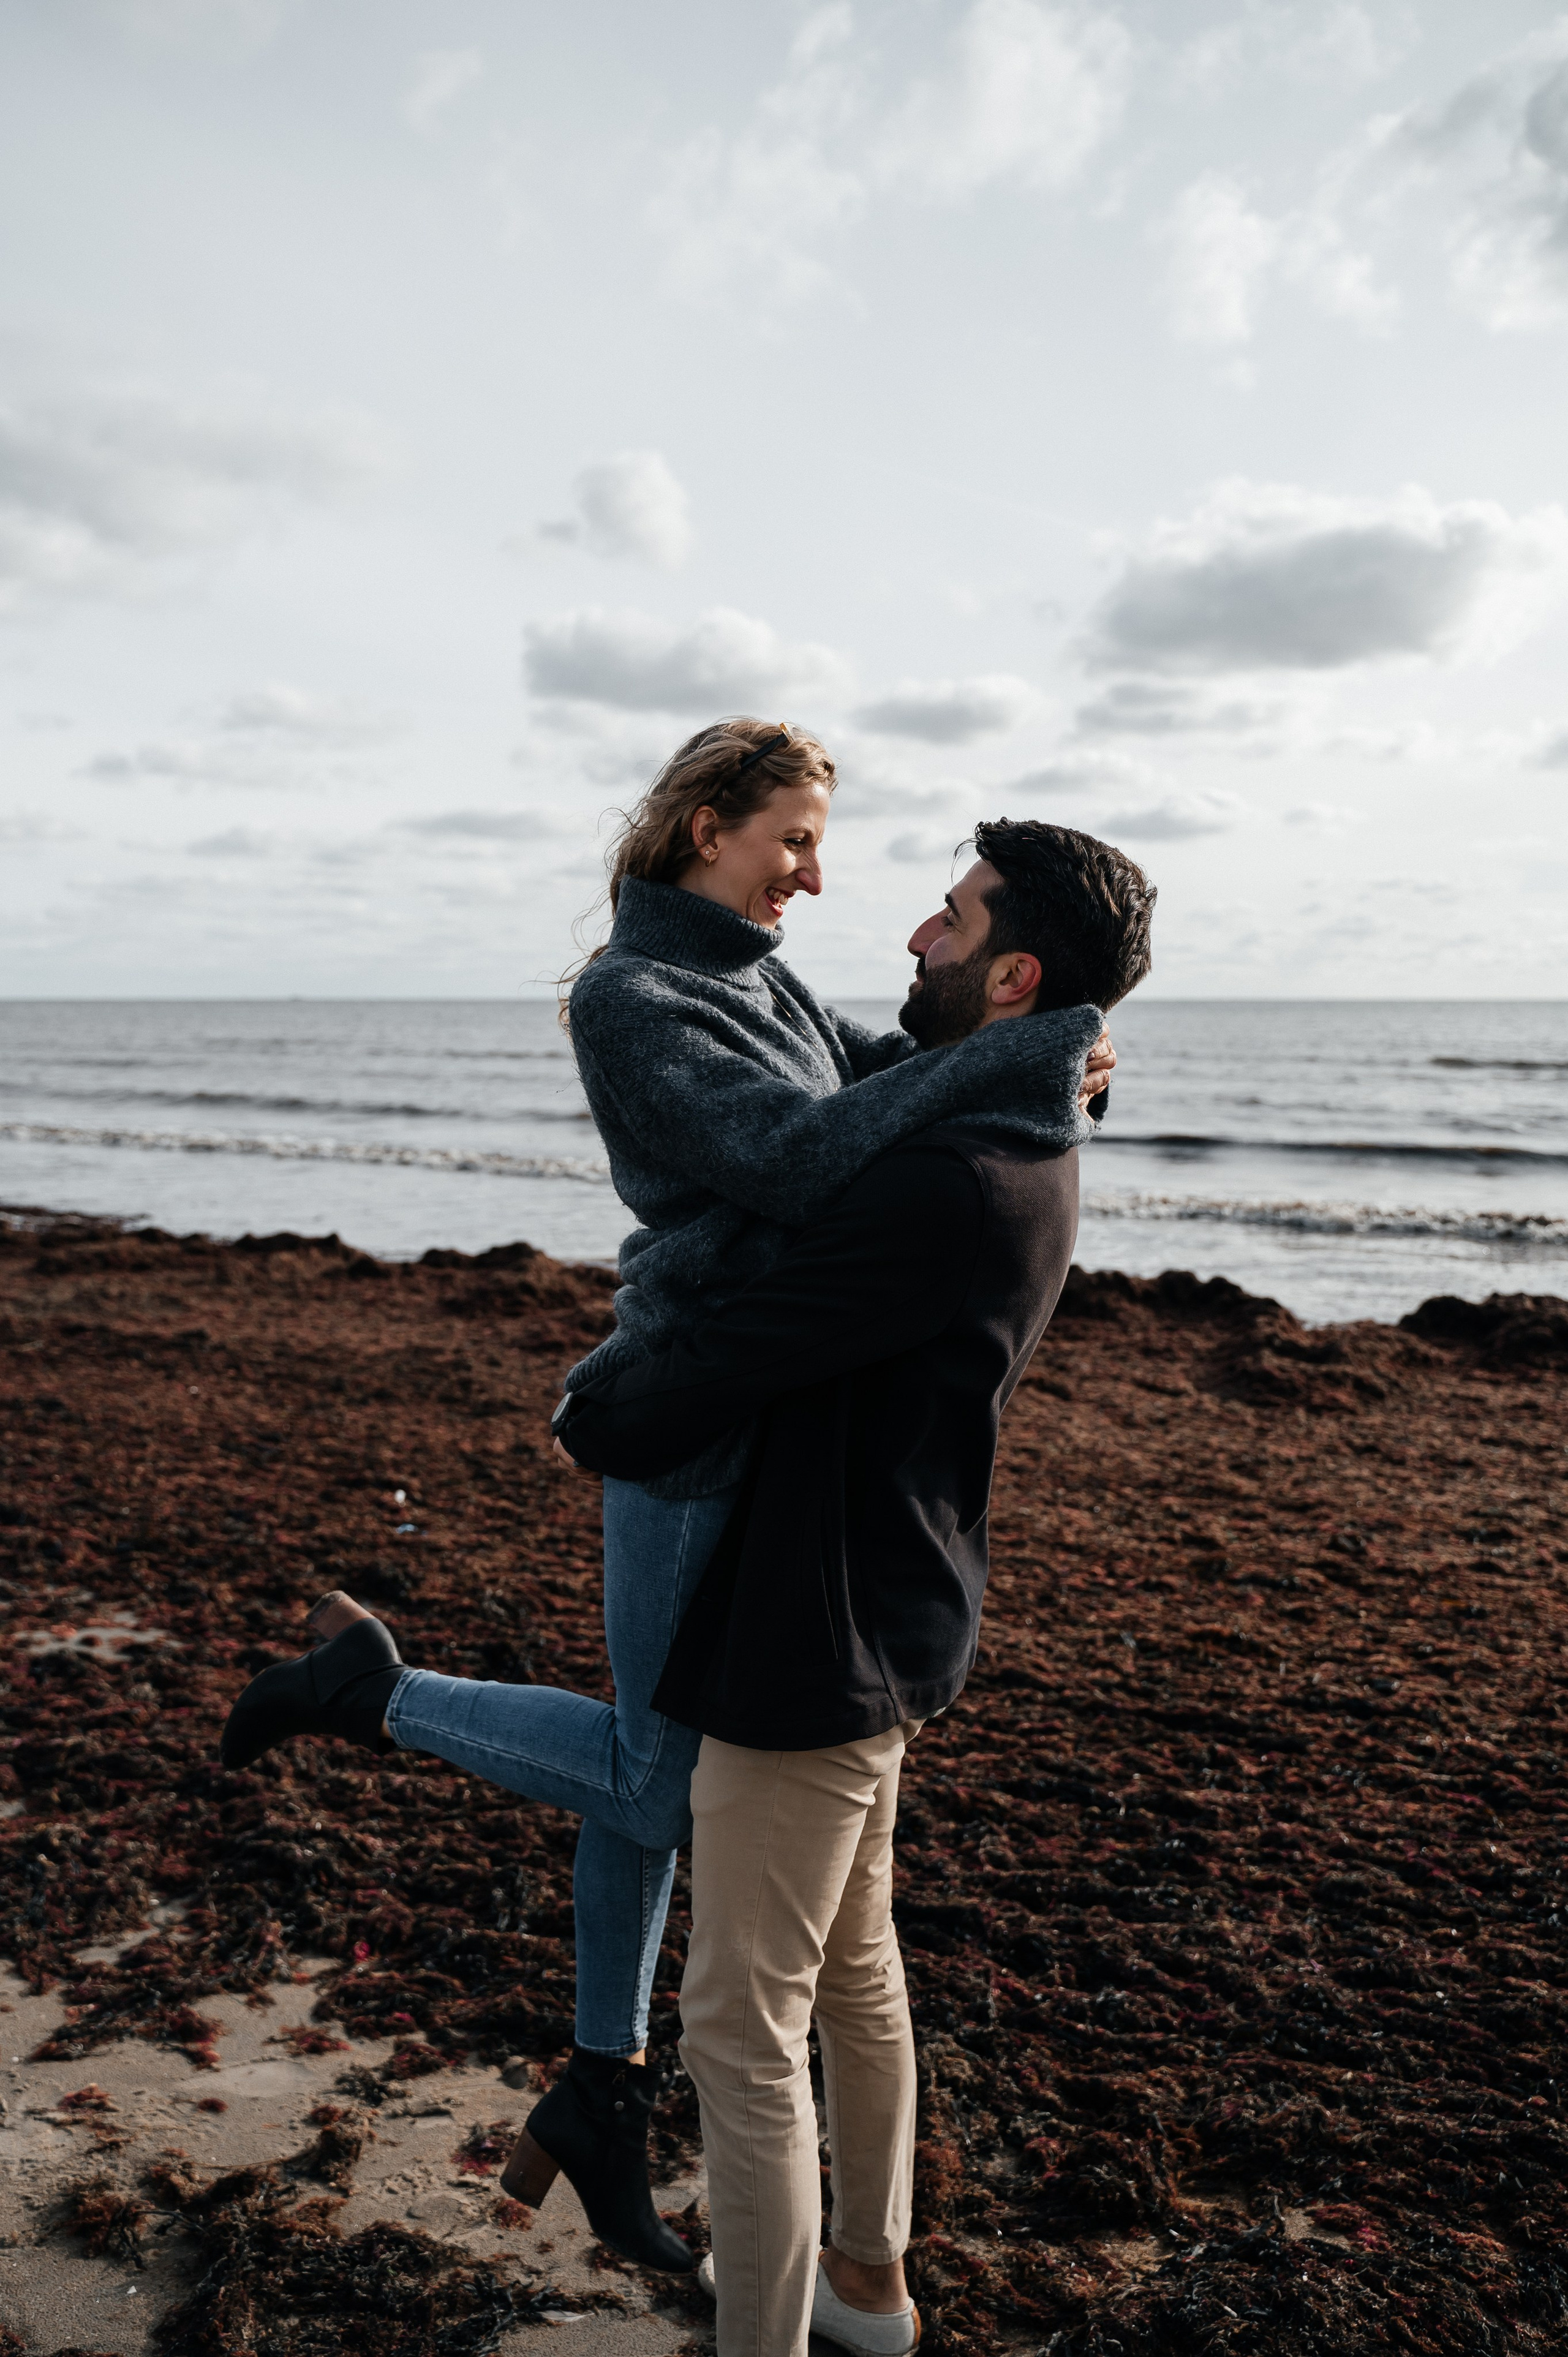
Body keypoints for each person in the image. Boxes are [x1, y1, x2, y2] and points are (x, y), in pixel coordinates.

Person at [217, 722, 1112, 2274]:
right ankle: (378, 1692)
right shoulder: (634, 997)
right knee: (649, 1779)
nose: (816, 878)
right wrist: (1019, 1052)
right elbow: (788, 1152)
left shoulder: (749, 974)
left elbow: (869, 1074)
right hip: (693, 1407)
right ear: (707, 825)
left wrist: (1043, 1058)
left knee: (641, 1752)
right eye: (793, 842)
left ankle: (597, 2082)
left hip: (768, 1405)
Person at [552, 820, 1156, 2357]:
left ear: (1014, 976)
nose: (910, 940)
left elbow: (731, 1352)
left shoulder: (943, 1184)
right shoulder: (1025, 1143)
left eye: (947, 924)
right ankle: (871, 2287)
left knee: (736, 2029)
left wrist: (596, 1412)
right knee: (854, 1975)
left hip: (807, 1633)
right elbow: (871, 1080)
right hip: (903, 1601)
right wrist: (1070, 1055)